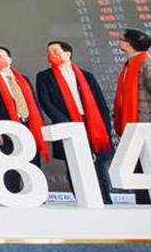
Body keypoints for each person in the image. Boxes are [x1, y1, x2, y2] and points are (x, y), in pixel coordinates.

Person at [36, 40, 115, 204]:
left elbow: (100, 103)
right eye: (49, 52)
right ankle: (81, 199)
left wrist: (106, 128)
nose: (51, 54)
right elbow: (45, 102)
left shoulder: (86, 76)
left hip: (92, 124)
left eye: (55, 51)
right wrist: (65, 123)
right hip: (66, 124)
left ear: (67, 54)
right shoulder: (44, 76)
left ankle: (105, 200)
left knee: (98, 164)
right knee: (73, 164)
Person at [0, 46, 48, 192]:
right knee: (10, 164)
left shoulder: (23, 79)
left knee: (33, 162)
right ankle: (12, 194)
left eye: (1, 56)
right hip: (5, 129)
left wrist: (40, 125)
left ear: (10, 59)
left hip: (29, 124)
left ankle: (35, 193)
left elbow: (34, 103)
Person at [114, 29, 151, 204]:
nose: (119, 42)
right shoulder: (129, 64)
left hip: (146, 127)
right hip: (134, 128)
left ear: (128, 44)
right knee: (139, 170)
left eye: (122, 39)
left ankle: (148, 205)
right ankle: (143, 204)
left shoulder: (148, 64)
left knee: (148, 169)